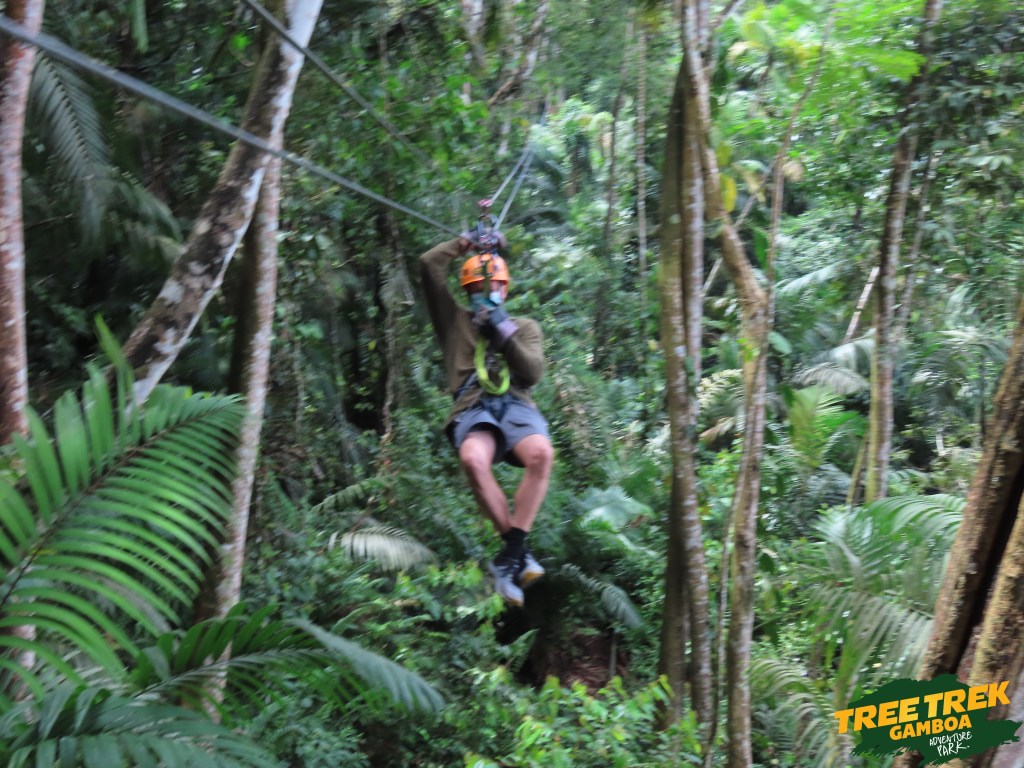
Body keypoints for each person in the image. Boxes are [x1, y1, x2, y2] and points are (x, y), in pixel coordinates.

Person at [419, 233, 554, 606]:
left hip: (516, 403)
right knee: (472, 460)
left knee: (542, 454)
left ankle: (511, 555)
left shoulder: (525, 327)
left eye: (491, 288)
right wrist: (462, 244)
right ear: (467, 292)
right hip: (472, 405)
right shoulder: (453, 321)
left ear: (504, 290)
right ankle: (517, 552)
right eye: (477, 289)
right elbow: (428, 264)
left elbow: (532, 373)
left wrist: (503, 331)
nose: (485, 293)